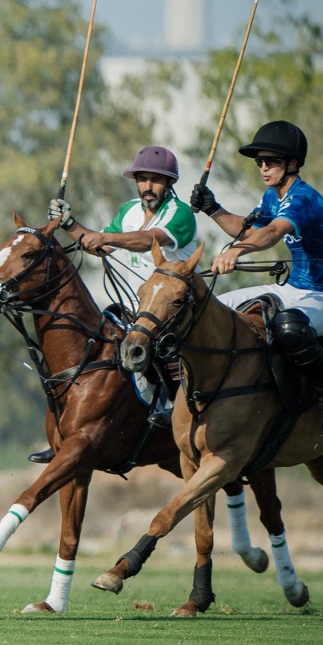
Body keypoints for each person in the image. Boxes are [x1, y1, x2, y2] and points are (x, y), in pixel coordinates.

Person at [40, 145, 197, 453]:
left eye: (156, 180)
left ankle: (170, 408)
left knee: (161, 350)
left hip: (172, 308)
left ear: (169, 184)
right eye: (142, 179)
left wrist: (107, 237)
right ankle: (69, 431)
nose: (148, 187)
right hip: (134, 306)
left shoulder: (181, 214)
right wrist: (69, 223)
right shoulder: (129, 210)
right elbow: (100, 246)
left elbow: (147, 240)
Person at [191, 120, 323, 405]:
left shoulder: (304, 198)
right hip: (293, 288)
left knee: (289, 327)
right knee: (212, 309)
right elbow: (249, 229)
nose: (263, 167)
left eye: (271, 161)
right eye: (260, 162)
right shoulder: (272, 196)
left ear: (292, 163)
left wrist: (236, 252)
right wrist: (212, 209)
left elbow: (272, 233)